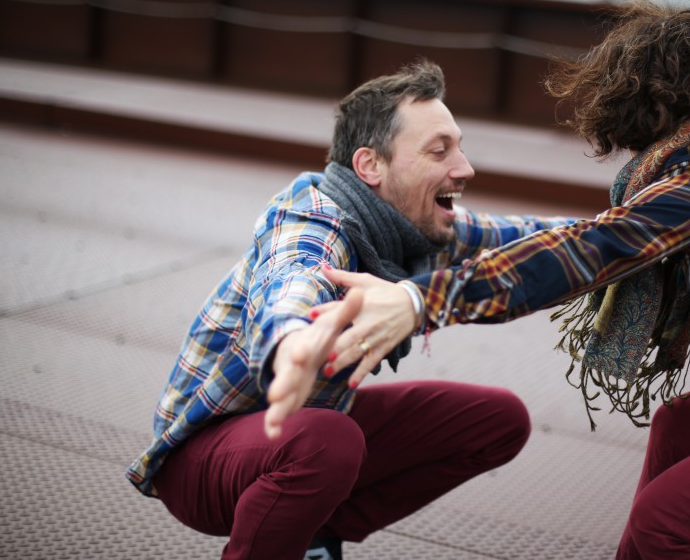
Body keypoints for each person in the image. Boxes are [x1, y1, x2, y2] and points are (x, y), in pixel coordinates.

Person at [272, 0, 690, 559]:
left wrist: (422, 300)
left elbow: (587, 252)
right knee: (682, 428)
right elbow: (591, 238)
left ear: (636, 100)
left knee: (668, 521)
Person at [126, 59, 575, 560]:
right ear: (370, 166)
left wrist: (625, 231)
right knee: (327, 441)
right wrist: (295, 342)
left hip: (306, 428)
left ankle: (318, 534)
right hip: (202, 459)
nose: (464, 168)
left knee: (497, 420)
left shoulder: (413, 227)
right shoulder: (312, 220)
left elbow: (528, 238)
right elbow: (292, 279)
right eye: (439, 151)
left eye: (461, 148)